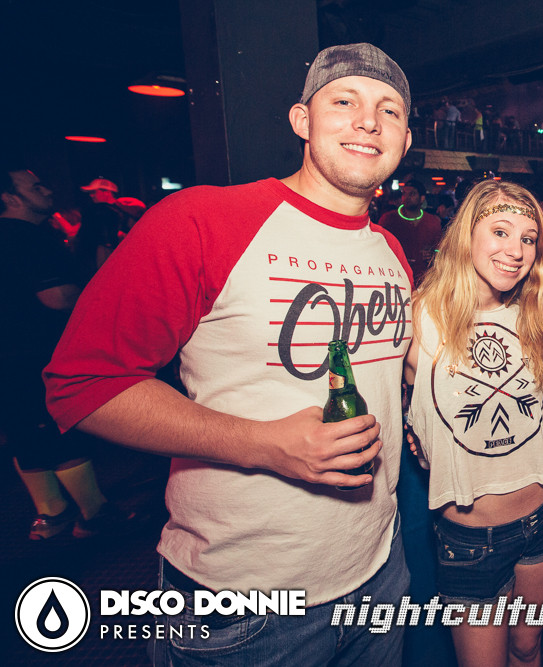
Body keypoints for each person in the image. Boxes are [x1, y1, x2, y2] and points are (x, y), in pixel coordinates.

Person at [45, 43, 415, 666]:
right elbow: (82, 384)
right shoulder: (203, 220)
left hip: (378, 571)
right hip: (242, 606)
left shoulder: (391, 252)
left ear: (405, 140)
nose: (368, 122)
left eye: (390, 111)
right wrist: (263, 444)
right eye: (344, 101)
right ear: (302, 120)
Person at [404, 180, 543, 667]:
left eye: (528, 238)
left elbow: (539, 409)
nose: (515, 251)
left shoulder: (534, 313)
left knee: (528, 648)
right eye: (500, 231)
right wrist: (418, 432)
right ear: (467, 234)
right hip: (470, 538)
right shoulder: (418, 317)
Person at [1, 167, 126, 540]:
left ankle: (51, 513)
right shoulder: (28, 237)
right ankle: (94, 514)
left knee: (23, 431)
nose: (47, 189)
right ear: (10, 198)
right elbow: (57, 297)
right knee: (60, 427)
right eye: (35, 186)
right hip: (37, 350)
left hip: (8, 352)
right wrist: (95, 298)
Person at [378, 179, 443, 285]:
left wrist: (433, 255)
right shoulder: (389, 219)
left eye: (412, 194)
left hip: (423, 280)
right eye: (404, 193)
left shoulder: (432, 222)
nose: (406, 197)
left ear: (422, 198)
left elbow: (440, 250)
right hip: (394, 278)